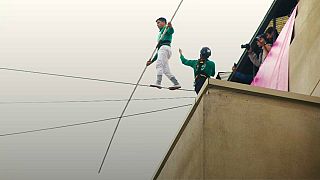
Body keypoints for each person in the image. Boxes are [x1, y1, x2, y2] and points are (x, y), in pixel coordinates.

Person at [146, 17, 181, 90]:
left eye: (158, 23)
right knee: (166, 70)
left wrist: (170, 27)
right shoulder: (161, 33)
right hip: (164, 49)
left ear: (163, 23)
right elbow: (158, 52)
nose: (157, 25)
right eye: (157, 23)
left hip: (165, 48)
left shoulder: (165, 28)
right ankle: (176, 83)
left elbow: (171, 31)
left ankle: (158, 82)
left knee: (159, 65)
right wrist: (151, 61)